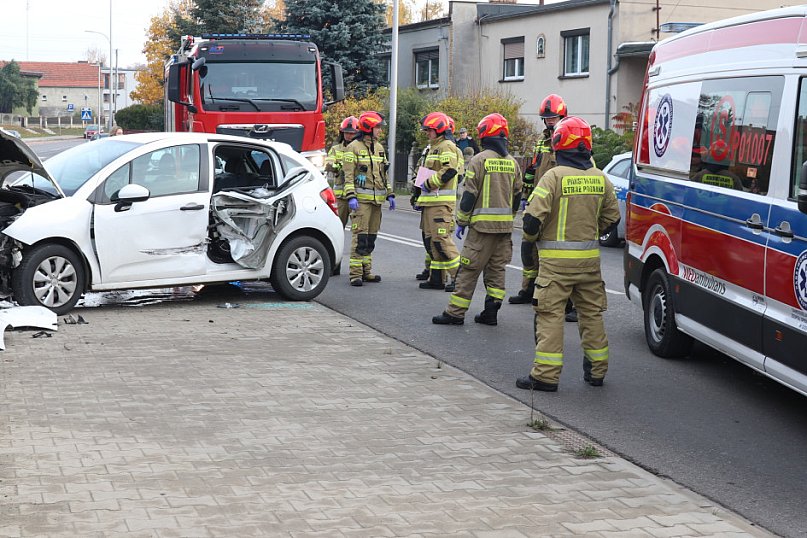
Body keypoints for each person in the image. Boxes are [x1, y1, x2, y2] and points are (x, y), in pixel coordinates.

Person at [515, 116, 620, 392]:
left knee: (550, 316)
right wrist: (589, 233)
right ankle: (597, 372)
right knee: (592, 315)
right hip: (589, 263)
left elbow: (531, 222)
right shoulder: (601, 178)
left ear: (561, 144)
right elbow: (612, 219)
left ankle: (545, 376)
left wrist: (533, 241)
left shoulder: (553, 177)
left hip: (555, 266)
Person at [432, 113, 522, 326]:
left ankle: (455, 313)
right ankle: (491, 313)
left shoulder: (478, 160)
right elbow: (518, 195)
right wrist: (509, 218)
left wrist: (461, 221)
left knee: (468, 270)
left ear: (484, 134)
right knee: (497, 271)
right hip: (505, 229)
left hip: (481, 230)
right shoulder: (512, 163)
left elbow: (469, 194)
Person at [509, 93, 566, 306]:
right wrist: (525, 196)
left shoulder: (568, 139)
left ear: (562, 116)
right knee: (528, 247)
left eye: (554, 117)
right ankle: (528, 289)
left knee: (552, 253)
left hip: (557, 204)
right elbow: (532, 169)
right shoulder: (542, 141)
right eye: (547, 117)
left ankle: (559, 298)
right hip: (537, 201)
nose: (550, 120)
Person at [342, 111, 395, 287]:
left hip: (376, 202)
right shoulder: (353, 148)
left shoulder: (379, 148)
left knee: (371, 238)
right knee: (360, 237)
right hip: (361, 202)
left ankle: (367, 271)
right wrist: (351, 196)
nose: (380, 131)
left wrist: (390, 193)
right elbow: (348, 176)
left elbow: (384, 174)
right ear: (368, 128)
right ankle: (355, 274)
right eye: (377, 127)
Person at [416, 112, 462, 291]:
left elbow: (449, 171)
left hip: (441, 204)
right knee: (432, 242)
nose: (427, 133)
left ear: (439, 130)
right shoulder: (433, 147)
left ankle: (459, 277)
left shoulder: (447, 146)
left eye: (429, 130)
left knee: (442, 241)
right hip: (430, 202)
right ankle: (436, 278)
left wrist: (428, 183)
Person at [325, 116, 359, 227]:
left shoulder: (361, 149)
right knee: (337, 227)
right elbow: (329, 165)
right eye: (347, 133)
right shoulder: (336, 149)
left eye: (352, 133)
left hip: (357, 195)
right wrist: (341, 166)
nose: (349, 136)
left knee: (358, 229)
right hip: (341, 197)